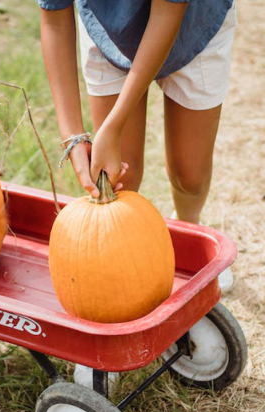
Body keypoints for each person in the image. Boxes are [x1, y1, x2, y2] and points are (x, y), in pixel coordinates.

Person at [38, 0, 237, 390]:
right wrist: (74, 136)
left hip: (191, 27)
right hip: (111, 33)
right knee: (119, 179)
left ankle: (189, 243)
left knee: (189, 173)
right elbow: (54, 20)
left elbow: (167, 13)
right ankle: (111, 320)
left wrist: (111, 127)